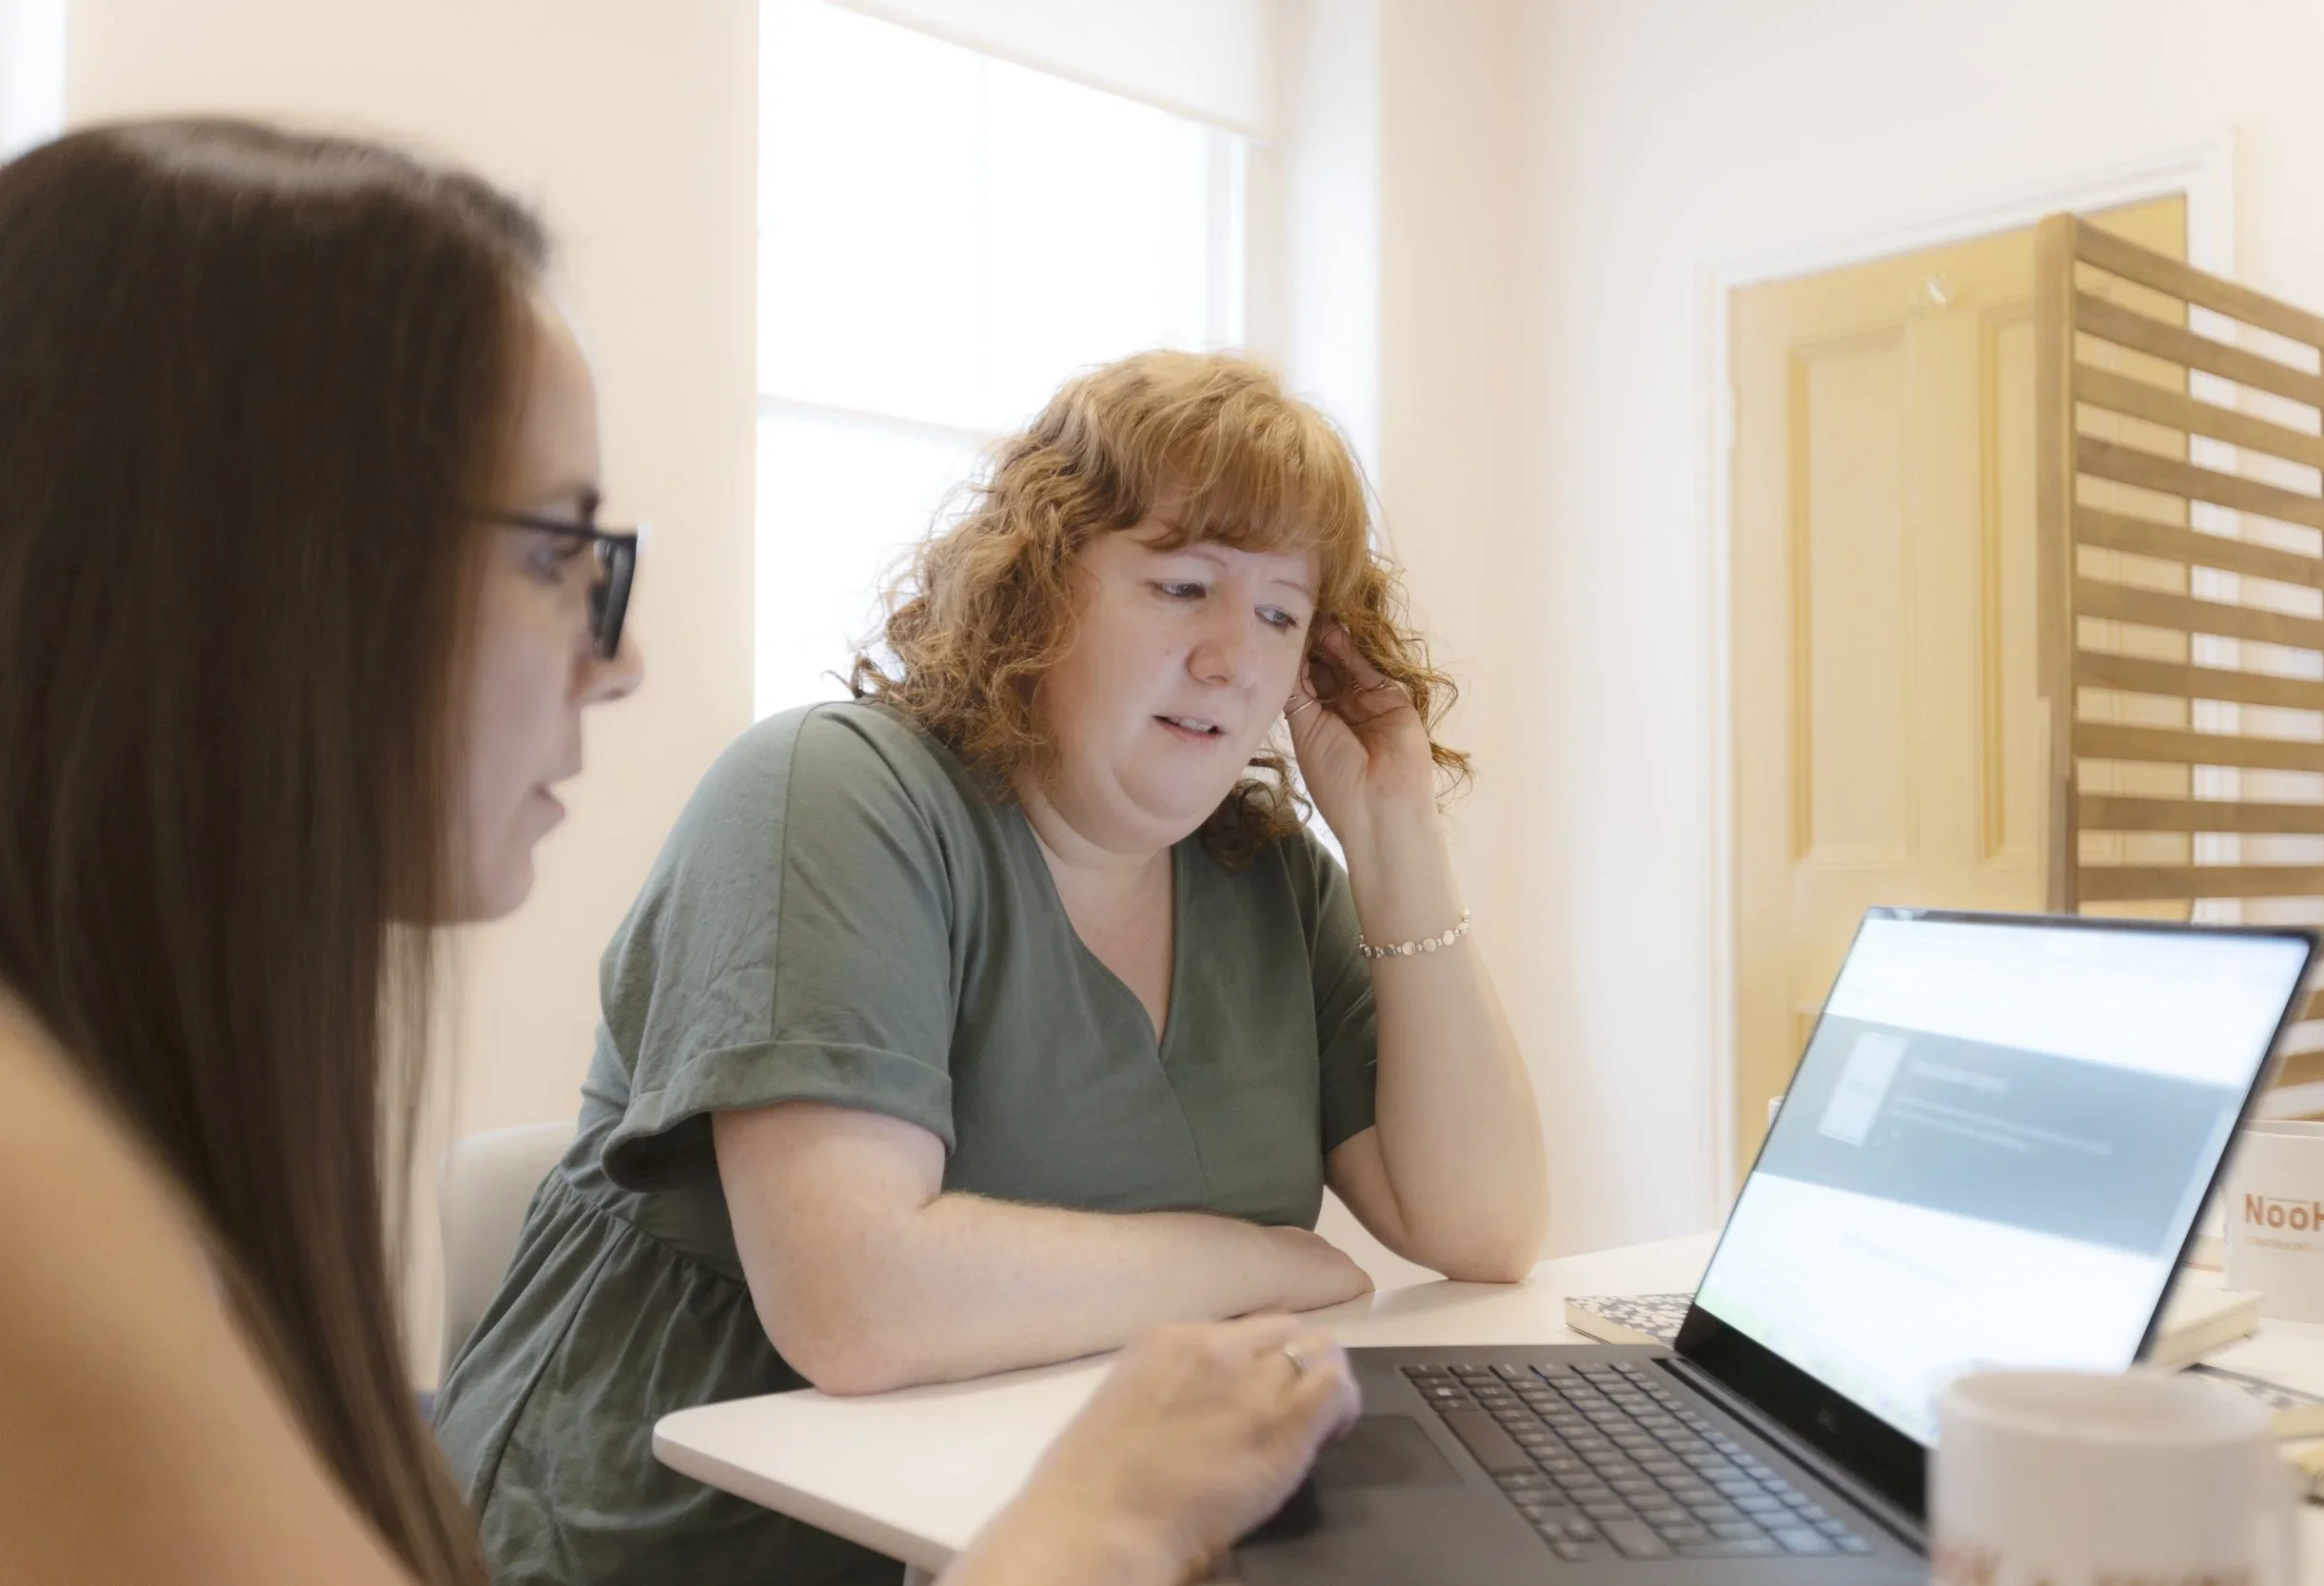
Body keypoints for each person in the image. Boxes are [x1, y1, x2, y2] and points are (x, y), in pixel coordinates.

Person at [0, 119, 1359, 1586]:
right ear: (257, 560)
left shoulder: (117, 1137)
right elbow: (859, 1295)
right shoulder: (42, 1216)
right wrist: (1103, 1518)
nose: (622, 652)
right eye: (554, 552)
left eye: (1278, 614)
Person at [438, 350, 1550, 1582]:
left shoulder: (1269, 877)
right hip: (693, 1538)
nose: (1237, 655)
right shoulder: (837, 791)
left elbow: (1484, 1224)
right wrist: (1260, 1260)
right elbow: (856, 1300)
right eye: (1185, 585)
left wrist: (1398, 834)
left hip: (1071, 1527)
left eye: (1283, 615)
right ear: (1039, 584)